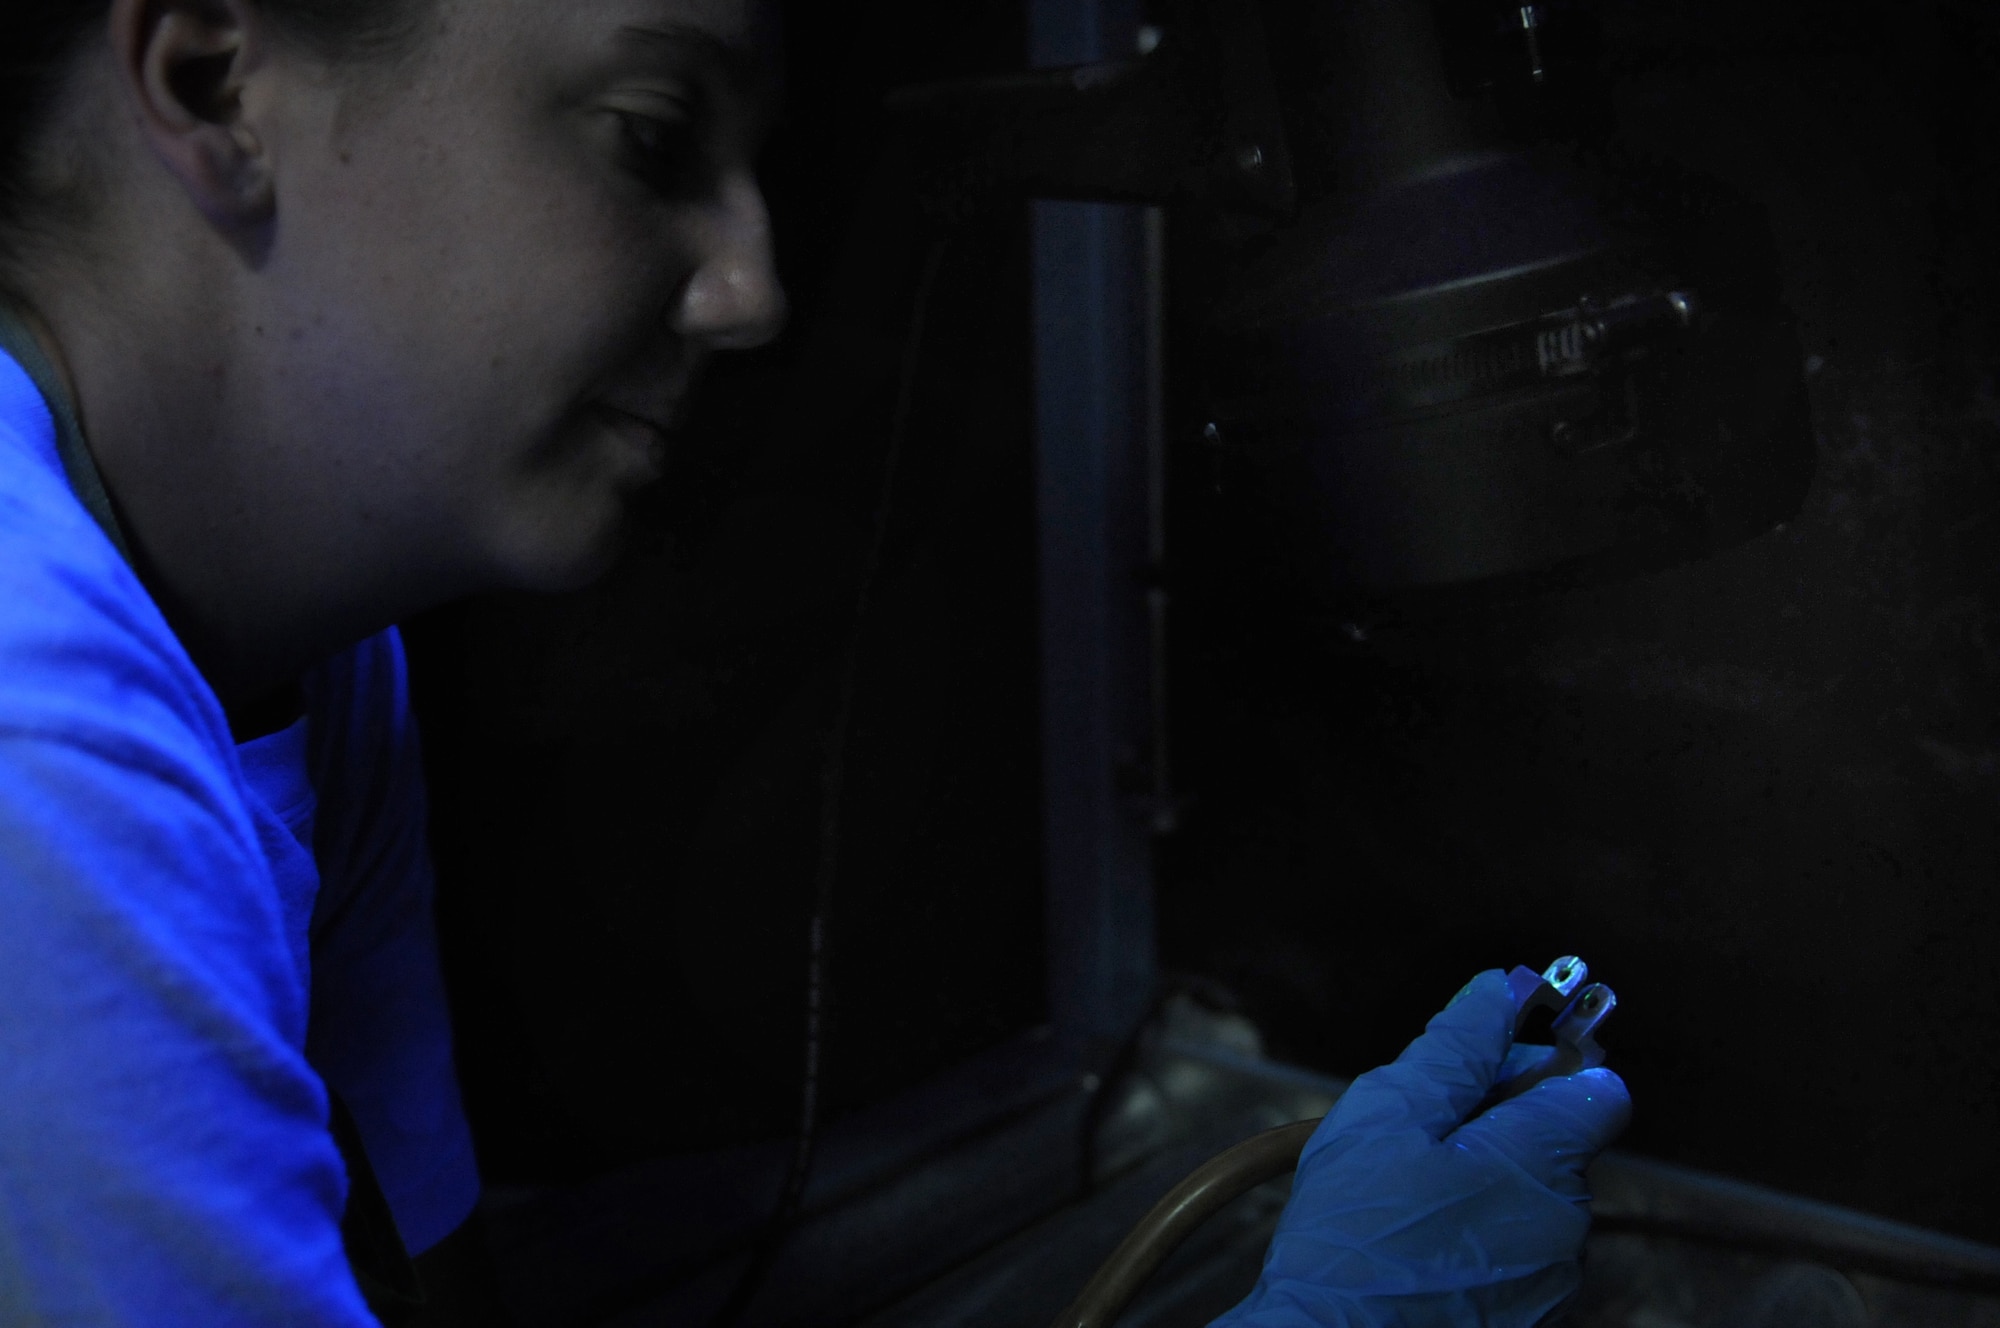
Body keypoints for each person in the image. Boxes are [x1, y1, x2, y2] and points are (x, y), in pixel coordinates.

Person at [0, 1, 1630, 1324]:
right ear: (214, 83)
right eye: (652, 135)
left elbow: (431, 1269)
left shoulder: (309, 643)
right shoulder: (41, 759)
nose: (751, 293)